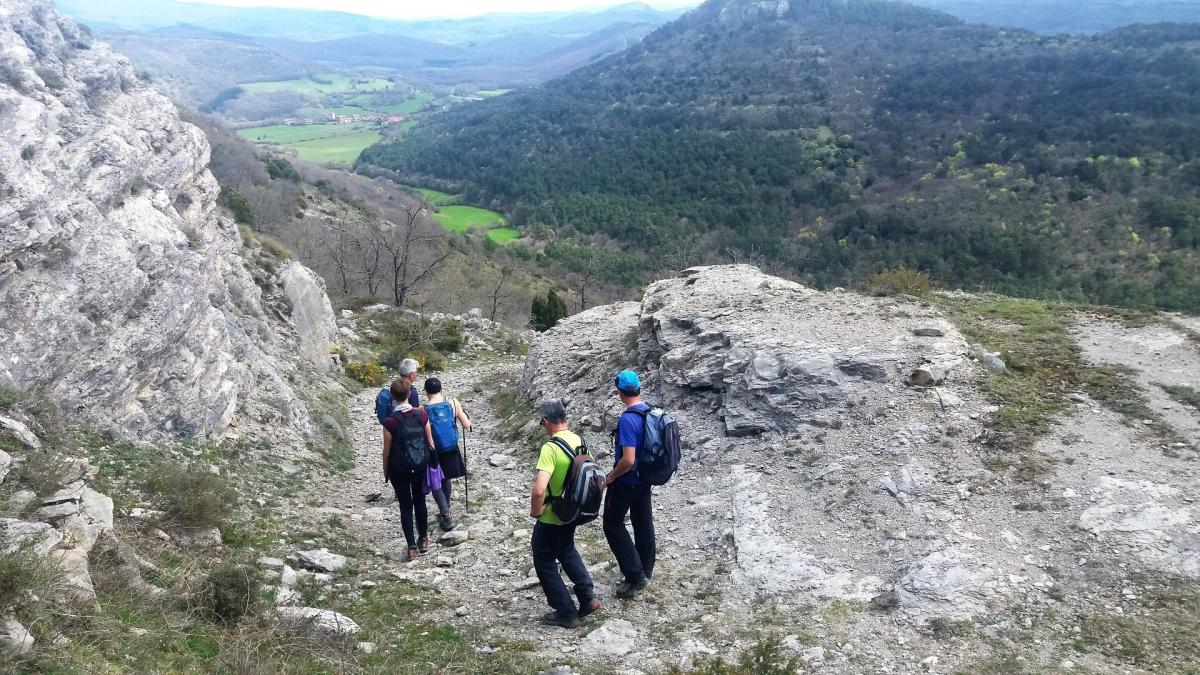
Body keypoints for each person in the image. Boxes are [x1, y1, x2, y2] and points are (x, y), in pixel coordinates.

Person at [529, 400, 599, 628]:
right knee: (567, 549)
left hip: (552, 515)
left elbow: (540, 489)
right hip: (572, 510)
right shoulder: (580, 441)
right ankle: (588, 597)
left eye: (542, 423)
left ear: (546, 421)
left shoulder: (551, 448)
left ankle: (565, 611)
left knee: (544, 560)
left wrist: (535, 511)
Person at [603, 370, 656, 598]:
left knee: (612, 525)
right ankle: (645, 569)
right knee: (643, 522)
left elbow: (628, 459)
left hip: (626, 481)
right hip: (645, 479)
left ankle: (635, 577)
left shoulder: (628, 419)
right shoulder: (650, 412)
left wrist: (611, 477)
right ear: (639, 388)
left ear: (620, 392)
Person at [381, 378, 435, 561]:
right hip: (420, 464)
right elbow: (430, 442)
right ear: (409, 394)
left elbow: (386, 452)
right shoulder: (422, 415)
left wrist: (386, 471)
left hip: (399, 469)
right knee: (420, 501)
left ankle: (411, 546)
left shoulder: (390, 422)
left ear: (393, 396)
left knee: (405, 505)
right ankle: (424, 538)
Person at [424, 377, 473, 531]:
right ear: (441, 389)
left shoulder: (424, 409)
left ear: (426, 392)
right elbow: (466, 425)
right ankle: (448, 508)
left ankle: (445, 512)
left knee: (435, 480)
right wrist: (465, 415)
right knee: (446, 478)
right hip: (451, 447)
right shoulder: (452, 402)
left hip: (434, 450)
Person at [375, 359, 421, 424]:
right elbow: (415, 414)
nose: (417, 374)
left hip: (389, 426)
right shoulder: (411, 391)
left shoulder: (393, 386)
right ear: (411, 374)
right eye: (416, 372)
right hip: (405, 428)